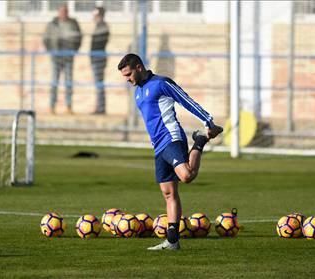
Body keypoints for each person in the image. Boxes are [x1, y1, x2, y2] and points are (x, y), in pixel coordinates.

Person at [117, 53, 224, 250]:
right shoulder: (138, 92)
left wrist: (208, 122)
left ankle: (199, 141)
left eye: (129, 74)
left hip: (172, 138)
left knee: (186, 176)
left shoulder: (161, 83)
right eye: (124, 76)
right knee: (168, 193)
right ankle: (173, 241)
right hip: (158, 146)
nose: (127, 79)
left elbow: (186, 100)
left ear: (139, 67)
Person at [43, 4, 82, 114]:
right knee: (54, 82)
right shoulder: (52, 24)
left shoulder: (73, 23)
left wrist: (74, 51)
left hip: (68, 57)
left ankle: (69, 106)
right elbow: (46, 39)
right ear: (58, 12)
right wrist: (51, 51)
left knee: (68, 82)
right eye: (61, 11)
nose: (63, 13)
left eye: (65, 11)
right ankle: (52, 106)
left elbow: (79, 37)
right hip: (56, 57)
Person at [90, 7, 110, 115]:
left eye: (95, 15)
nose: (94, 18)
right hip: (96, 57)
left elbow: (99, 43)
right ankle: (99, 107)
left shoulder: (103, 27)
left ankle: (101, 108)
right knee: (98, 84)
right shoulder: (99, 26)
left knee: (99, 84)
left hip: (99, 57)